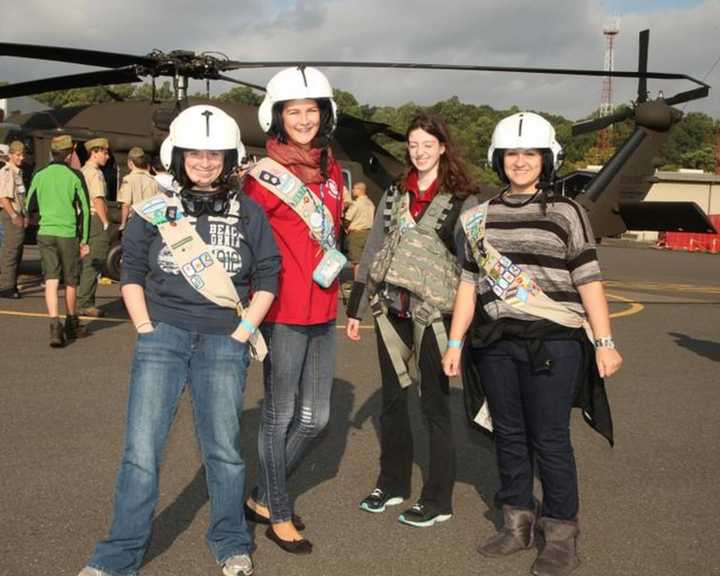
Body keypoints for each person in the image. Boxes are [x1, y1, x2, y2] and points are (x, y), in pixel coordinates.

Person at [77, 104, 280, 576]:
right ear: (179, 156)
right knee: (141, 451)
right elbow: (129, 271)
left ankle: (230, 542)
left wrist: (244, 330)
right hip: (162, 337)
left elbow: (268, 275)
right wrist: (145, 326)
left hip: (224, 342)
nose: (205, 163)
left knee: (224, 451)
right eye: (196, 154)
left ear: (229, 159)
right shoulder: (155, 212)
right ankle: (118, 554)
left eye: (215, 155)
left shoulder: (248, 211)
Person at [442, 112, 622, 576]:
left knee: (551, 439)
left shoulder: (567, 212)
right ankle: (517, 521)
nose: (521, 162)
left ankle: (561, 534)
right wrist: (456, 342)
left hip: (555, 341)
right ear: (498, 160)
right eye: (512, 154)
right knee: (509, 436)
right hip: (497, 343)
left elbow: (589, 281)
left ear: (547, 159)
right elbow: (468, 285)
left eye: (530, 154)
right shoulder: (479, 218)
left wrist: (604, 342)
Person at [345, 113, 475, 527]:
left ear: (442, 147)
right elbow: (373, 252)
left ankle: (438, 498)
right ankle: (393, 483)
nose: (419, 152)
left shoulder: (462, 199)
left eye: (427, 144)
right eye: (413, 145)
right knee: (393, 402)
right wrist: (356, 309)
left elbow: (472, 264)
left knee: (434, 406)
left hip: (435, 316)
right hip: (391, 312)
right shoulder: (396, 194)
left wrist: (462, 335)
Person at [243, 66, 344, 554]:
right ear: (277, 117)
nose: (304, 119)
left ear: (324, 115)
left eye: (311, 110)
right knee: (279, 415)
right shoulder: (262, 178)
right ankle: (277, 512)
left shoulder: (334, 173)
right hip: (282, 311)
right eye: (293, 111)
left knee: (316, 418)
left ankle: (263, 494)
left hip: (324, 307)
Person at [24, 135, 91, 347]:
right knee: (71, 280)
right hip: (67, 233)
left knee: (51, 279)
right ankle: (72, 323)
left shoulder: (39, 174)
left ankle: (54, 325)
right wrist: (85, 239)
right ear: (70, 152)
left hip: (45, 232)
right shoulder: (75, 175)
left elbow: (29, 205)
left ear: (53, 153)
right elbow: (86, 211)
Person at [78, 137, 112, 317]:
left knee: (87, 261)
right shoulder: (95, 173)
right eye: (104, 152)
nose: (107, 156)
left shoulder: (83, 170)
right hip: (95, 219)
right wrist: (105, 221)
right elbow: (98, 199)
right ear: (94, 152)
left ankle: (83, 300)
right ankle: (85, 303)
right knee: (95, 261)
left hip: (85, 218)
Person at [0, 141, 28, 298]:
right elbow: (4, 197)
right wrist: (14, 216)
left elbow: (21, 197)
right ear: (10, 154)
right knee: (10, 252)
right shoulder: (7, 171)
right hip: (11, 214)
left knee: (17, 251)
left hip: (18, 214)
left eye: (22, 154)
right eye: (18, 154)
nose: (21, 157)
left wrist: (25, 215)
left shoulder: (17, 172)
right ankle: (6, 287)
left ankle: (12, 284)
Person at [117, 146, 160, 230]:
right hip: (150, 222)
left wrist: (123, 224)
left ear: (130, 162)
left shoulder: (128, 179)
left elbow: (126, 204)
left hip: (134, 222)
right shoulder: (152, 180)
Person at [343, 181, 375, 278]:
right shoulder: (371, 203)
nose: (352, 190)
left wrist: (345, 227)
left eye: (354, 188)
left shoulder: (356, 204)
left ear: (360, 190)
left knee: (357, 262)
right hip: (368, 233)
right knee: (366, 260)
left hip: (356, 235)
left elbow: (347, 219)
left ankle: (357, 284)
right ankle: (365, 281)